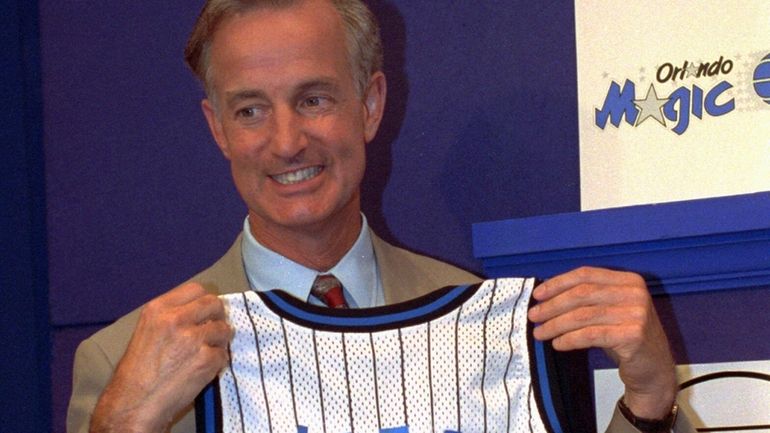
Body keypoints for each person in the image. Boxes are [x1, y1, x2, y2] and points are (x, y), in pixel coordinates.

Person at [67, 0, 694, 432]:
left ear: (370, 105)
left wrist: (651, 399)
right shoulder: (122, 361)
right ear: (217, 129)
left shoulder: (486, 330)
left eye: (313, 99)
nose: (286, 142)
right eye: (250, 110)